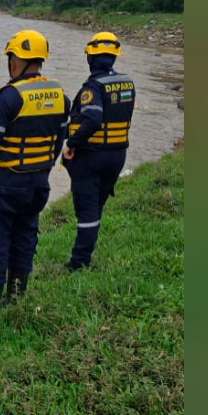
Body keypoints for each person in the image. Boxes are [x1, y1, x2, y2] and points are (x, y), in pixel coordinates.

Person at [0, 30, 71, 313]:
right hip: (38, 183)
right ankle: (16, 296)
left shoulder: (6, 99)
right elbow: (58, 141)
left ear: (15, 61)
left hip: (3, 183)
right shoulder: (61, 96)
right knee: (24, 236)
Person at [61, 32, 135, 271]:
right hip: (117, 154)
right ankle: (85, 251)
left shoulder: (92, 87)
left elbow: (93, 118)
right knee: (96, 206)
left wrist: (71, 143)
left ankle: (79, 263)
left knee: (87, 209)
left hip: (92, 156)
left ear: (90, 58)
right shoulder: (127, 83)